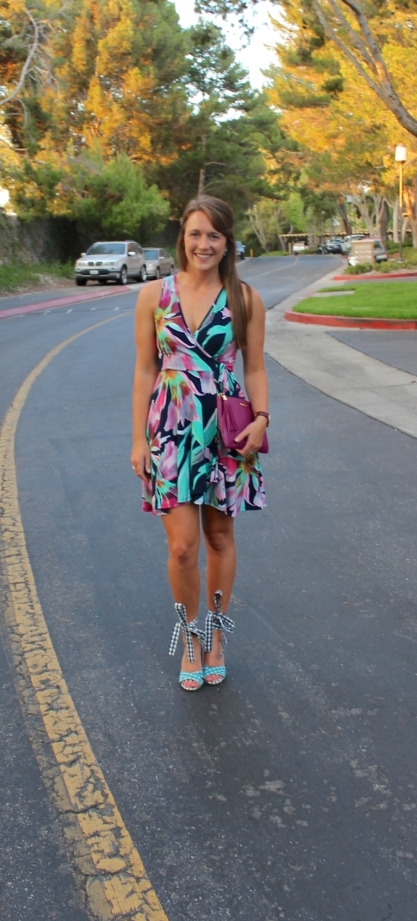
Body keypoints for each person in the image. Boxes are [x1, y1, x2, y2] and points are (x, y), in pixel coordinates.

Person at [131, 196, 268, 691]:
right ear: (182, 238)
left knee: (219, 539)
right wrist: (138, 441)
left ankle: (215, 635)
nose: (203, 243)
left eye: (214, 235)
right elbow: (146, 368)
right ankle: (190, 635)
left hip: (226, 431)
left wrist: (262, 418)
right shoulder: (153, 296)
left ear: (227, 242)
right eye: (195, 233)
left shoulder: (244, 298)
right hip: (169, 429)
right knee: (184, 546)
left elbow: (253, 366)